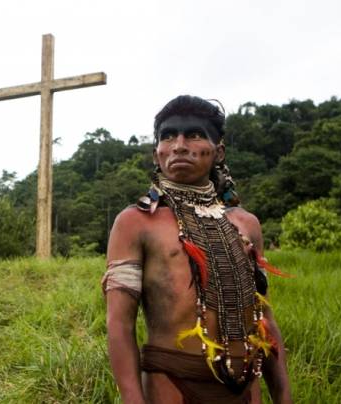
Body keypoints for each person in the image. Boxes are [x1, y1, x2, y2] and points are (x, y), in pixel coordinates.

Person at [103, 95, 292, 404]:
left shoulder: (247, 224)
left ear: (218, 152)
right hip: (172, 381)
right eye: (168, 136)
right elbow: (119, 323)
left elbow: (265, 317)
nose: (179, 144)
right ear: (157, 153)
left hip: (245, 382)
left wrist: (283, 396)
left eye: (193, 134)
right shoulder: (135, 222)